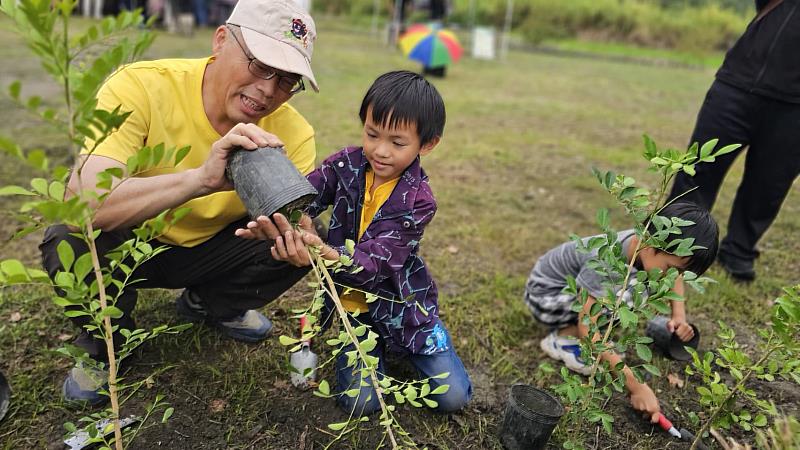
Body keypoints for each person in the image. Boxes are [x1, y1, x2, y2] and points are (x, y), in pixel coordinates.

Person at [40, 0, 319, 405]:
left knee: (302, 237)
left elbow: (297, 223)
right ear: (220, 40)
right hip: (131, 241)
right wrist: (200, 180)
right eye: (260, 65)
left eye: (287, 80)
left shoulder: (293, 133)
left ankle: (208, 303)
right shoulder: (141, 86)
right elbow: (83, 204)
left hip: (210, 250)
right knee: (68, 236)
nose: (268, 90)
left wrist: (299, 245)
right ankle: (105, 342)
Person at [236, 71, 473, 416]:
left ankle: (414, 344)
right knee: (361, 403)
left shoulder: (420, 202)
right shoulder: (345, 165)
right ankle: (374, 354)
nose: (380, 150)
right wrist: (286, 221)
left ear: (427, 144)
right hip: (354, 309)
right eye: (372, 134)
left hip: (402, 307)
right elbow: (306, 196)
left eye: (397, 143)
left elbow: (376, 262)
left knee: (452, 398)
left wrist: (323, 250)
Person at [523, 202, 719, 422]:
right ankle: (563, 338)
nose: (673, 278)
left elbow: (677, 276)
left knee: (629, 295)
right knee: (623, 299)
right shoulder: (607, 262)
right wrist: (636, 386)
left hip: (574, 293)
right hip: (545, 296)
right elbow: (588, 327)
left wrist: (679, 316)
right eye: (671, 270)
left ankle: (590, 336)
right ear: (648, 243)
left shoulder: (649, 246)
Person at [668, 0, 800, 282]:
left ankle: (738, 252)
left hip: (795, 109)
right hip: (737, 82)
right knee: (698, 168)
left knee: (768, 185)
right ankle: (672, 242)